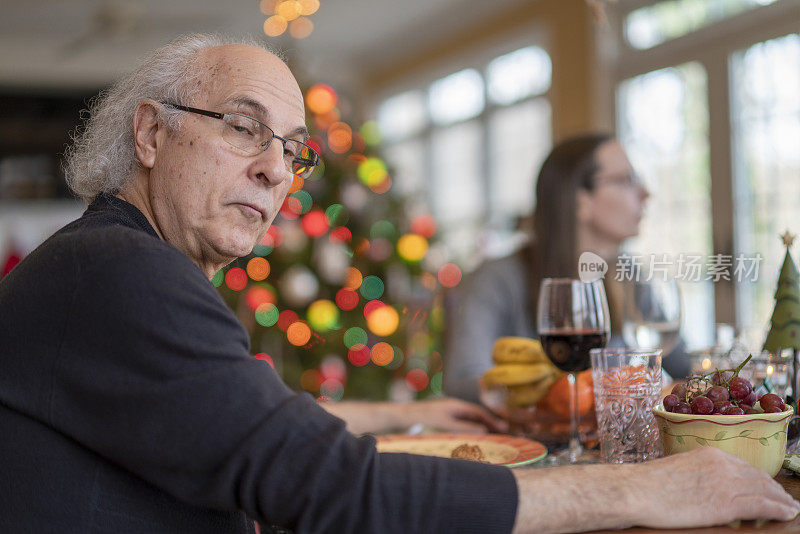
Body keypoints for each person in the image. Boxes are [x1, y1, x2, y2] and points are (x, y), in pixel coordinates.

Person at [0, 34, 796, 534]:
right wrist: (639, 494)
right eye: (244, 127)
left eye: (293, 150)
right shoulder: (117, 272)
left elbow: (240, 418)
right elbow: (328, 490)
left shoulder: (112, 261)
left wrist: (402, 411)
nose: (278, 168)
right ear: (150, 132)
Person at [443, 134, 691, 403]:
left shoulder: (628, 274)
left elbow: (681, 366)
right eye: (626, 180)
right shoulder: (497, 278)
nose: (645, 193)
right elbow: (462, 379)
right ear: (580, 201)